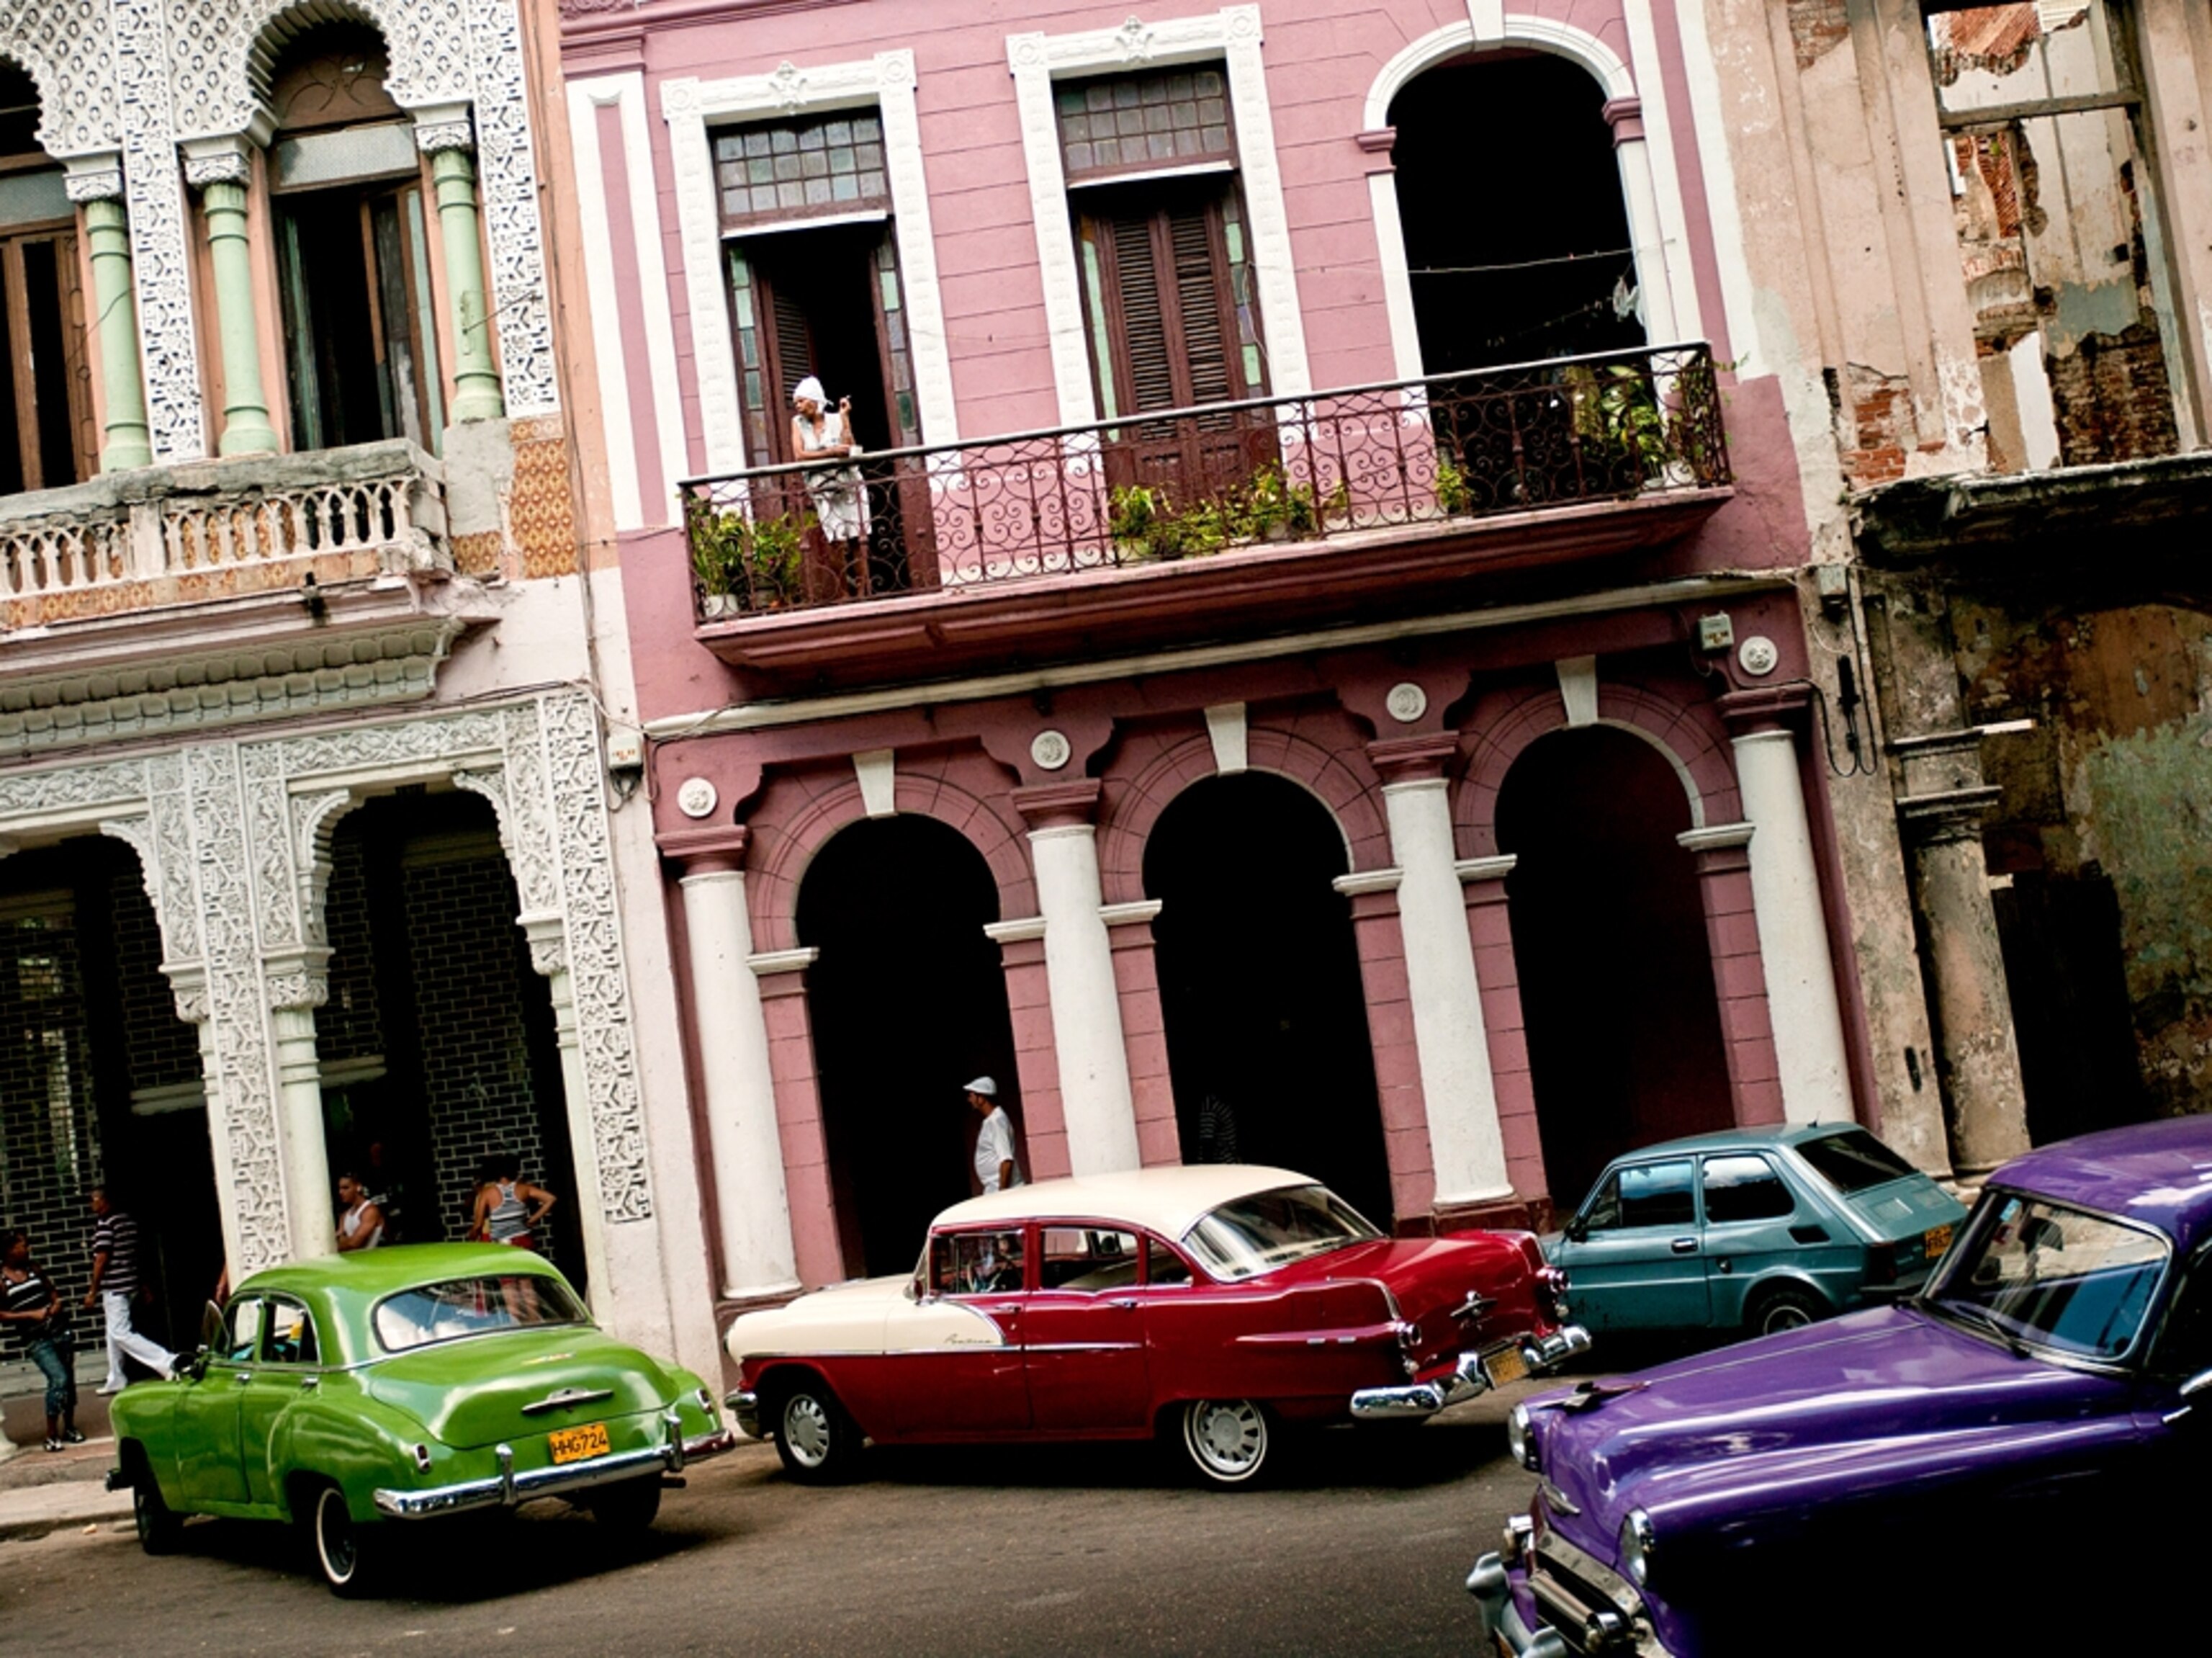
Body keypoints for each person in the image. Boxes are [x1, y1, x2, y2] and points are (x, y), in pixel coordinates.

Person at [81, 1188, 179, 1393]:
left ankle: (166, 1361)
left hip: (115, 1286)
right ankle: (116, 1377)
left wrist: (92, 1291)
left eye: (94, 1200)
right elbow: (135, 1256)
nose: (92, 1205)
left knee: (120, 1332)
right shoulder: (127, 1222)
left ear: (104, 1201)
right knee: (112, 1332)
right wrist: (142, 1285)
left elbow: (101, 1260)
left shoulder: (105, 1225)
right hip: (129, 1283)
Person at [1, 1229, 82, 1452]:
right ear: (9, 1250)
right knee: (59, 1379)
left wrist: (56, 1304)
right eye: (22, 1245)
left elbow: (52, 1291)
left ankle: (70, 1427)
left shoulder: (34, 1268)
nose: (27, 1249)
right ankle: (51, 1434)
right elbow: (2, 1314)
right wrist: (30, 1314)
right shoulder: (2, 1280)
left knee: (69, 1381)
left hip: (58, 1328)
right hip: (36, 1337)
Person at [791, 375, 869, 589]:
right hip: (823, 488)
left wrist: (845, 417)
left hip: (848, 483)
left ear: (814, 401)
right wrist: (831, 452)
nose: (797, 406)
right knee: (835, 540)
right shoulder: (797, 424)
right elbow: (800, 455)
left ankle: (864, 590)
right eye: (795, 402)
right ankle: (844, 591)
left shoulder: (835, 419)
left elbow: (850, 447)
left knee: (857, 538)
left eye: (801, 401)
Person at [470, 1154, 556, 1250]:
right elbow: (551, 1199)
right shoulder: (524, 1189)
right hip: (523, 1239)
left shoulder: (487, 1193)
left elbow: (478, 1225)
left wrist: (472, 1237)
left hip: (500, 1244)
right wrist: (533, 1219)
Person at [966, 1076, 1022, 1196]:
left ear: (981, 1098)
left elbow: (1006, 1161)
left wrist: (1002, 1194)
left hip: (1003, 1191)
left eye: (972, 1095)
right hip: (993, 1188)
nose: (969, 1099)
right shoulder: (991, 1121)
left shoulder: (996, 1122)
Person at [334, 1172, 386, 1253]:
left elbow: (354, 1243)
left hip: (370, 1261)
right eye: (340, 1188)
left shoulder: (370, 1211)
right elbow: (336, 1240)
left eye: (346, 1188)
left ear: (358, 1187)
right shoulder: (344, 1215)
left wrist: (343, 1240)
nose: (340, 1192)